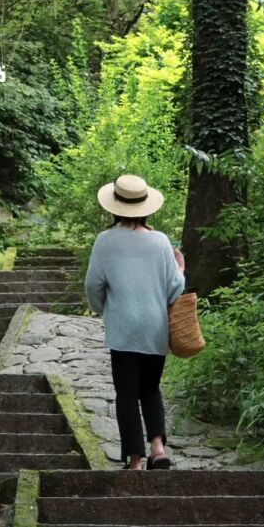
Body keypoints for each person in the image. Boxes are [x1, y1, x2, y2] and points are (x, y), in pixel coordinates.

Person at [84, 173, 186, 471]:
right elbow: (174, 288)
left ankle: (136, 460)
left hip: (124, 329)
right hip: (156, 327)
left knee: (127, 393)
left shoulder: (106, 242)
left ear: (114, 207)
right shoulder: (160, 242)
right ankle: (158, 449)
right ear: (146, 207)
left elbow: (93, 285)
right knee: (151, 389)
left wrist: (104, 309)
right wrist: (180, 269)